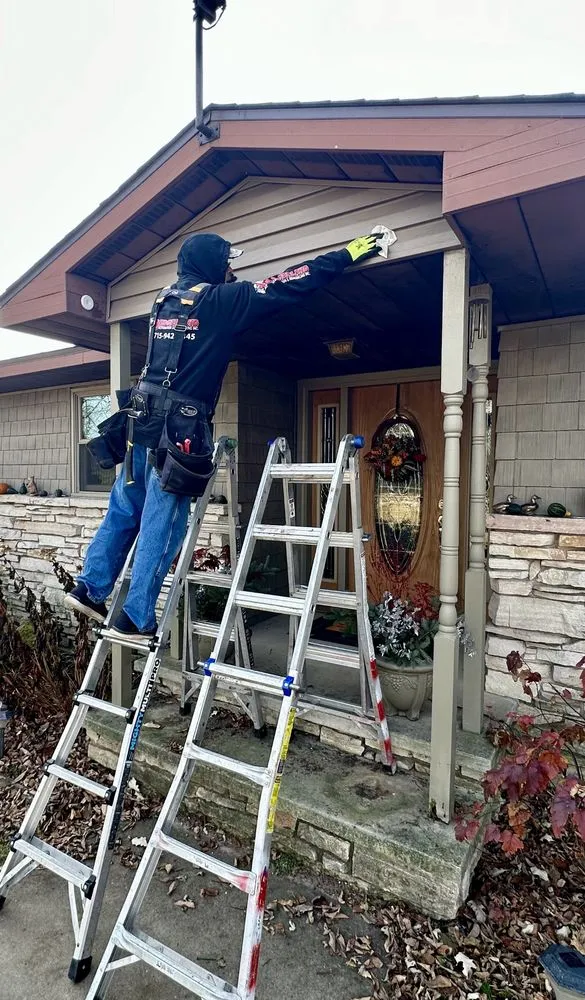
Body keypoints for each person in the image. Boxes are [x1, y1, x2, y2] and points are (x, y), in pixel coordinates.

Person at [64, 231, 382, 639]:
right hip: (178, 432)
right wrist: (349, 251)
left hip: (139, 424)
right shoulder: (222, 302)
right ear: (214, 264)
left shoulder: (162, 299)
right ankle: (137, 617)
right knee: (165, 523)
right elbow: (291, 281)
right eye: (227, 263)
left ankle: (89, 589)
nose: (232, 270)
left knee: (125, 509)